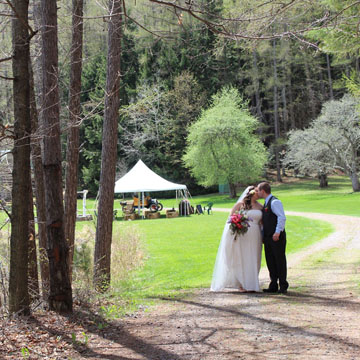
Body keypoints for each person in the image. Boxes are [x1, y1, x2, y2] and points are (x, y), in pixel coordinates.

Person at [210, 186, 263, 292]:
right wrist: (235, 227)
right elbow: (230, 219)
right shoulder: (240, 205)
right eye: (257, 191)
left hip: (256, 235)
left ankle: (252, 283)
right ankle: (242, 283)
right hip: (242, 235)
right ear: (252, 193)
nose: (259, 194)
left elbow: (262, 223)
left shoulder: (260, 206)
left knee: (254, 257)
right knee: (243, 257)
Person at [257, 182, 289, 294]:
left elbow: (281, 217)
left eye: (258, 190)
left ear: (263, 191)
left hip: (276, 237)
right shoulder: (265, 203)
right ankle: (273, 284)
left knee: (279, 260)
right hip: (267, 237)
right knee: (270, 261)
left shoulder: (275, 202)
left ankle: (283, 285)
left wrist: (277, 232)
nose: (257, 192)